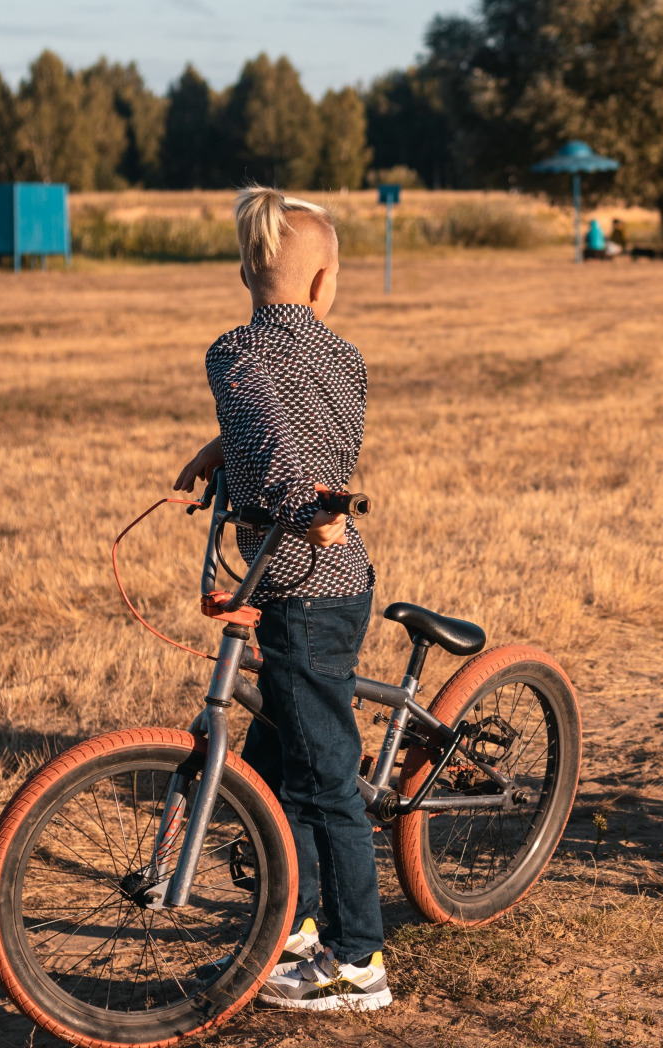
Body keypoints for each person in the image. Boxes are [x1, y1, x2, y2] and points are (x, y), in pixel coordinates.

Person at [173, 186, 390, 1011]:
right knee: (277, 762)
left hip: (305, 580)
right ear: (323, 281)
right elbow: (271, 423)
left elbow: (278, 435)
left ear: (242, 271)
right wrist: (220, 448)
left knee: (327, 775)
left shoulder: (235, 350)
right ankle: (293, 927)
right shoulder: (343, 353)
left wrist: (301, 503)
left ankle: (358, 961)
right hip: (324, 577)